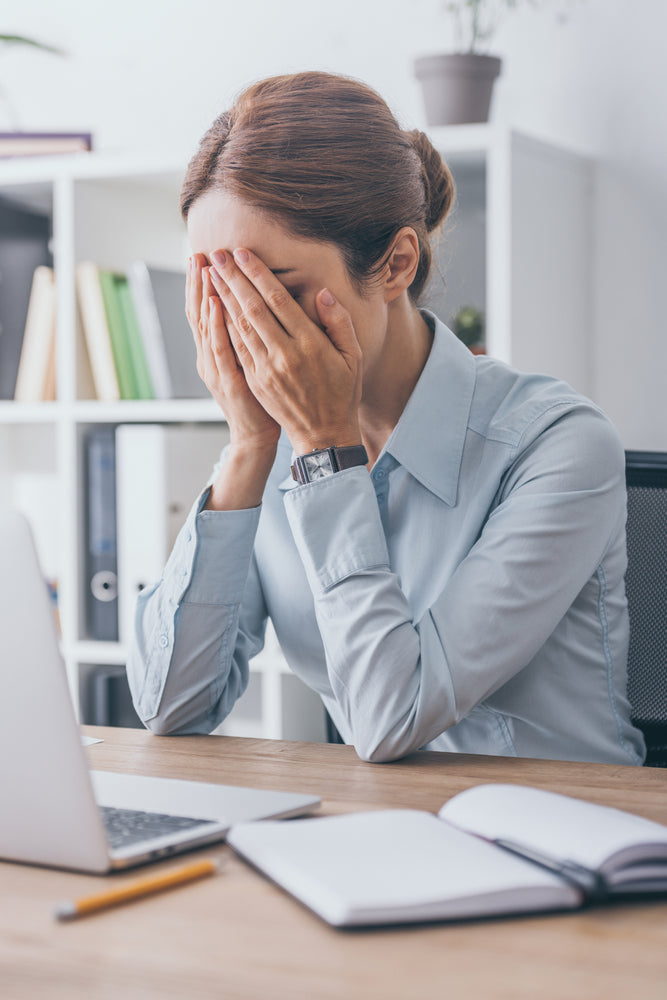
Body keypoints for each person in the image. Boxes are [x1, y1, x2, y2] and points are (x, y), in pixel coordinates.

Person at [126, 70, 645, 766]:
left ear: (396, 263)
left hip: (570, 844)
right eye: (218, 293)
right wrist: (249, 447)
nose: (247, 330)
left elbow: (390, 718)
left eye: (273, 294)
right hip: (381, 836)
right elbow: (169, 705)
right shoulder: (273, 447)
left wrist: (324, 452)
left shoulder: (556, 445)